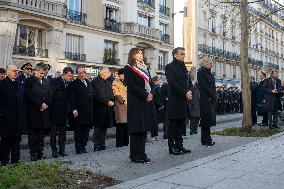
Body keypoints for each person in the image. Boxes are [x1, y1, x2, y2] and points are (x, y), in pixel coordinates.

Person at [124, 48, 156, 163]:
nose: (141, 55)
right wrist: (145, 94)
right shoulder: (128, 68)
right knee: (136, 129)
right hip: (136, 102)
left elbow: (150, 83)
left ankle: (142, 153)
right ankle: (135, 155)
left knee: (143, 130)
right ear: (133, 55)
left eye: (142, 53)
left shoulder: (145, 68)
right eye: (138, 53)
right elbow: (131, 86)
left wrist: (151, 93)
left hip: (146, 103)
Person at [165, 47, 192, 155]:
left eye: (184, 54)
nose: (183, 55)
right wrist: (185, 93)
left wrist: (189, 91)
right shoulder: (170, 67)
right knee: (173, 126)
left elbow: (189, 82)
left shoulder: (184, 67)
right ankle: (172, 148)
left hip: (184, 101)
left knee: (181, 125)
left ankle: (180, 146)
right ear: (175, 55)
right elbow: (172, 84)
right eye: (181, 54)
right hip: (175, 101)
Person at [0, 65, 25, 166]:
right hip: (6, 119)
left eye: (17, 71)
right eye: (14, 71)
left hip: (18, 118)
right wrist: (3, 113)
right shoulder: (2, 84)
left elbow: (23, 100)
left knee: (16, 141)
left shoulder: (19, 84)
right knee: (6, 141)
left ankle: (16, 161)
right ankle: (4, 161)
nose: (16, 72)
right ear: (8, 72)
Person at [25, 62, 51, 161]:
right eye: (41, 73)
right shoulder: (29, 81)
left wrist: (46, 104)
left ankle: (40, 152)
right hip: (34, 112)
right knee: (33, 135)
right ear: (36, 70)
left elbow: (50, 95)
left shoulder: (47, 81)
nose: (42, 75)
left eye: (44, 74)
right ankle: (33, 153)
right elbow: (29, 96)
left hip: (44, 112)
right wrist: (40, 104)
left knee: (41, 135)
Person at [49, 67, 74, 158]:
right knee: (54, 134)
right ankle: (54, 151)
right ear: (63, 74)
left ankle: (61, 151)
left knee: (63, 134)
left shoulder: (69, 83)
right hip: (55, 112)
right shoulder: (55, 81)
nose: (70, 77)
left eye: (71, 76)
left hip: (64, 113)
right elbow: (51, 96)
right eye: (68, 75)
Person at [69, 67, 93, 154]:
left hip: (88, 111)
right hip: (79, 112)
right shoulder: (74, 84)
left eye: (84, 72)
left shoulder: (88, 82)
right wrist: (74, 110)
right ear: (77, 74)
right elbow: (72, 99)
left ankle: (83, 146)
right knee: (79, 131)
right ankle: (78, 148)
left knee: (86, 131)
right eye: (80, 73)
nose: (82, 74)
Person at [92, 67, 114, 151]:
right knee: (98, 128)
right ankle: (96, 145)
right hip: (99, 109)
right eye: (108, 71)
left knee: (104, 128)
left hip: (107, 109)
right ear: (102, 73)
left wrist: (112, 101)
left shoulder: (108, 82)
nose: (109, 73)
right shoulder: (95, 81)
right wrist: (107, 101)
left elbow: (111, 94)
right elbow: (97, 95)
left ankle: (102, 144)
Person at [197, 57, 216, 147]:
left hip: (209, 98)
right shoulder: (201, 72)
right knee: (206, 119)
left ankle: (205, 139)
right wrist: (213, 95)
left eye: (211, 63)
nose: (211, 64)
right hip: (205, 98)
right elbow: (205, 86)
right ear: (204, 63)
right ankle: (207, 139)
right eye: (209, 63)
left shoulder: (208, 72)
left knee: (207, 119)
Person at [112, 68, 129, 147]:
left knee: (126, 125)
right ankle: (119, 143)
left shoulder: (127, 82)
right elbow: (116, 93)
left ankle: (126, 142)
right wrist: (123, 101)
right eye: (123, 74)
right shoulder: (115, 82)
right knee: (120, 125)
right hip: (121, 105)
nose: (125, 75)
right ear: (119, 75)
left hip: (128, 105)